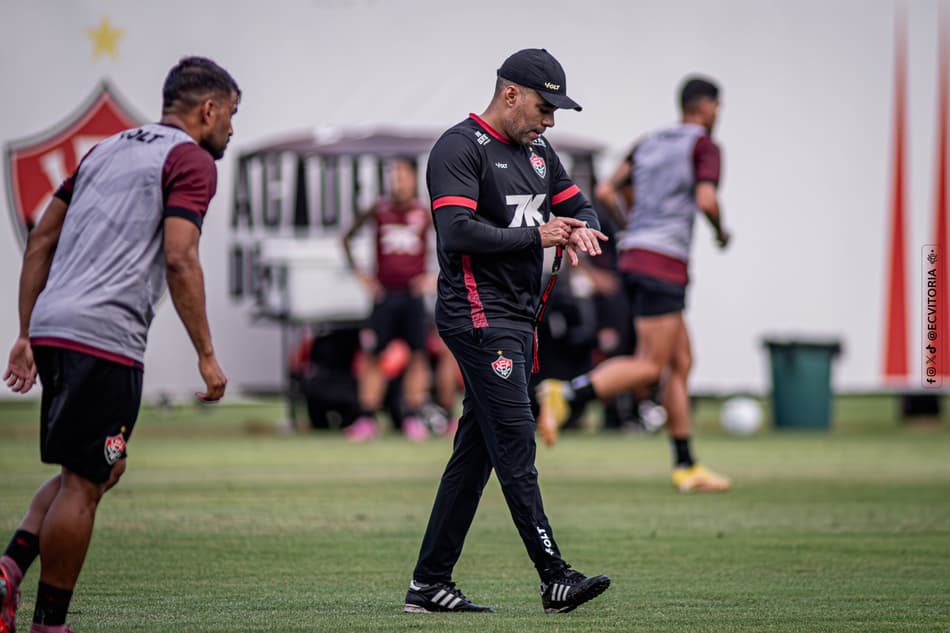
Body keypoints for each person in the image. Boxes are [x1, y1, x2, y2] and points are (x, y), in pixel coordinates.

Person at [0, 56, 239, 633]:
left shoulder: (104, 150)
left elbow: (40, 242)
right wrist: (206, 353)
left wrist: (28, 331)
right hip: (103, 337)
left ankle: (9, 570)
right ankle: (48, 624)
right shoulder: (191, 159)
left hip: (58, 326)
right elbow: (181, 257)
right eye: (231, 115)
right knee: (85, 480)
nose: (231, 128)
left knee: (104, 464)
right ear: (207, 110)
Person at [403, 48, 611, 615]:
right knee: (517, 440)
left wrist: (580, 229)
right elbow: (458, 233)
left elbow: (582, 207)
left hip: (518, 317)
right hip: (477, 314)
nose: (550, 122)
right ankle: (554, 577)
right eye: (545, 108)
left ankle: (429, 584)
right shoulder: (457, 147)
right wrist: (541, 237)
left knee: (477, 452)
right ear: (510, 94)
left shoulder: (541, 152)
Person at [537, 76, 732, 493]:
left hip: (637, 256)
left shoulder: (650, 141)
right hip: (664, 262)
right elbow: (706, 201)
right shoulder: (703, 146)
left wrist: (632, 227)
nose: (718, 115)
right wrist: (721, 232)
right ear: (706, 106)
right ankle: (566, 395)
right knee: (650, 364)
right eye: (718, 107)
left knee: (680, 363)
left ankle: (686, 466)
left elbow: (607, 190)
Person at [341, 157, 437, 442]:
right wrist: (362, 277)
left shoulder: (424, 212)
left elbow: (453, 240)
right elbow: (346, 238)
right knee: (373, 356)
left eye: (402, 175)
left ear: (413, 178)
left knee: (417, 355)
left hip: (412, 295)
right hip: (384, 294)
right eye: (393, 175)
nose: (397, 181)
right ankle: (367, 418)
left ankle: (413, 416)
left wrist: (434, 277)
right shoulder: (379, 209)